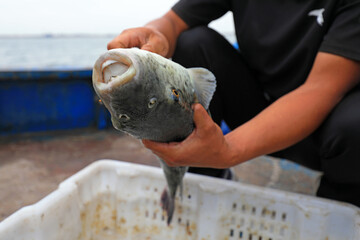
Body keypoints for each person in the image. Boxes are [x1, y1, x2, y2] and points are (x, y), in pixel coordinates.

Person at [108, 0, 360, 207]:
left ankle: (340, 207)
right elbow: (173, 22)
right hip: (258, 115)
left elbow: (320, 89)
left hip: (330, 134)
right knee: (193, 41)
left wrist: (228, 150)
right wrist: (156, 33)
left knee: (354, 124)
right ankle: (204, 179)